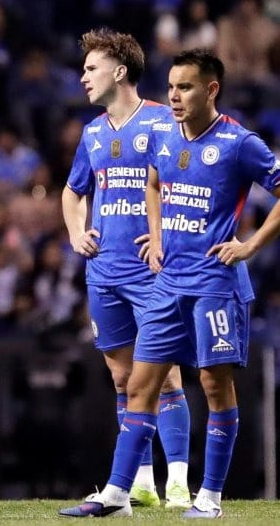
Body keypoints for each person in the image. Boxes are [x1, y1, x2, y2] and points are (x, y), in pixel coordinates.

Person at [60, 48, 280, 519]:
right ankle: (119, 495)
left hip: (216, 283)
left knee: (213, 385)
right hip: (167, 280)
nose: (175, 96)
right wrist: (156, 238)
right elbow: (154, 183)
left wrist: (250, 246)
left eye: (186, 88)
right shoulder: (163, 136)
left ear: (211, 89)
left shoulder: (240, 142)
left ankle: (209, 498)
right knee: (139, 385)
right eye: (172, 87)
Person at [61, 28, 193, 510]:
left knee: (165, 378)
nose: (83, 78)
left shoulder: (164, 120)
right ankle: (141, 483)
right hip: (104, 272)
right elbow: (72, 191)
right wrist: (77, 231)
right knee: (122, 380)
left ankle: (177, 480)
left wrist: (165, 233)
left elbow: (193, 175)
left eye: (91, 69)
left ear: (119, 72)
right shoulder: (93, 132)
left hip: (154, 272)